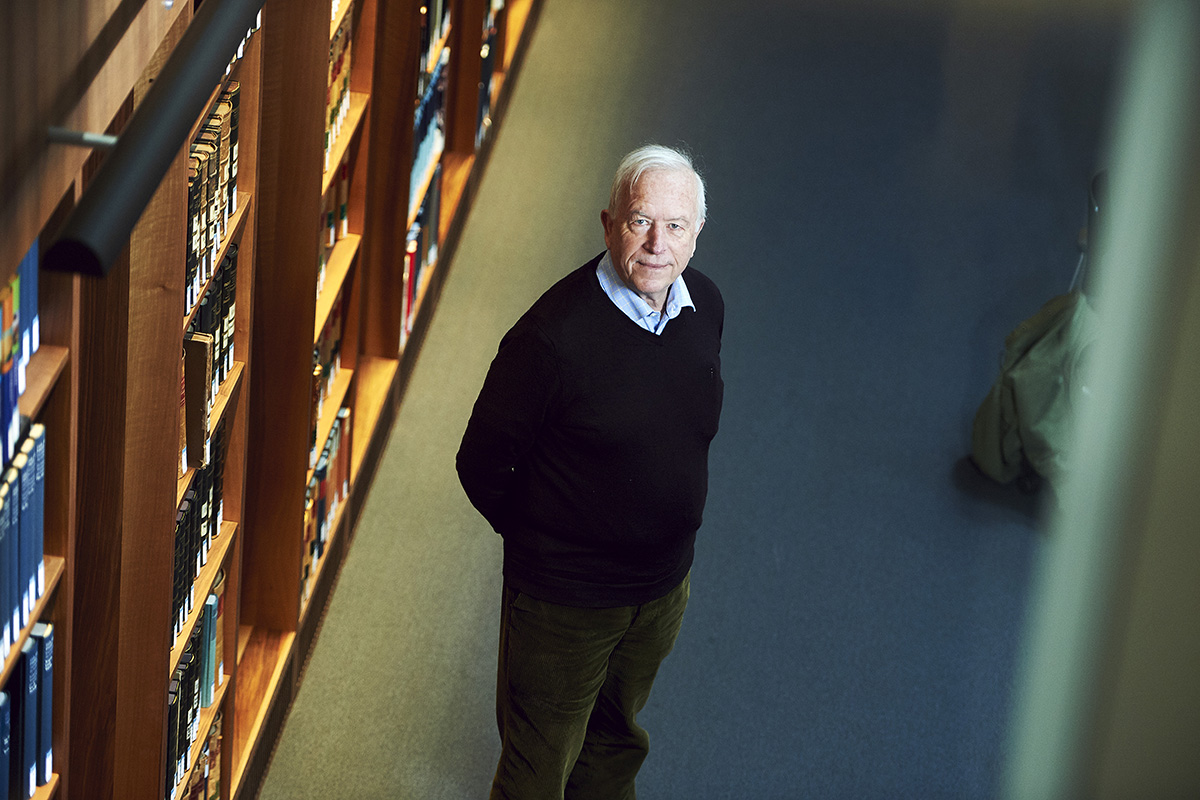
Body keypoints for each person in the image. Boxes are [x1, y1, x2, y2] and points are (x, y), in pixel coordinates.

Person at [456, 143, 724, 800]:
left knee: (615, 739)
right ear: (609, 224)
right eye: (640, 222)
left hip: (661, 588)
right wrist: (551, 542)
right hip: (565, 602)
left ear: (697, 234)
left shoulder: (705, 308)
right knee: (537, 768)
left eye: (677, 226)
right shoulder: (552, 340)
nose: (658, 243)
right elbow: (481, 464)